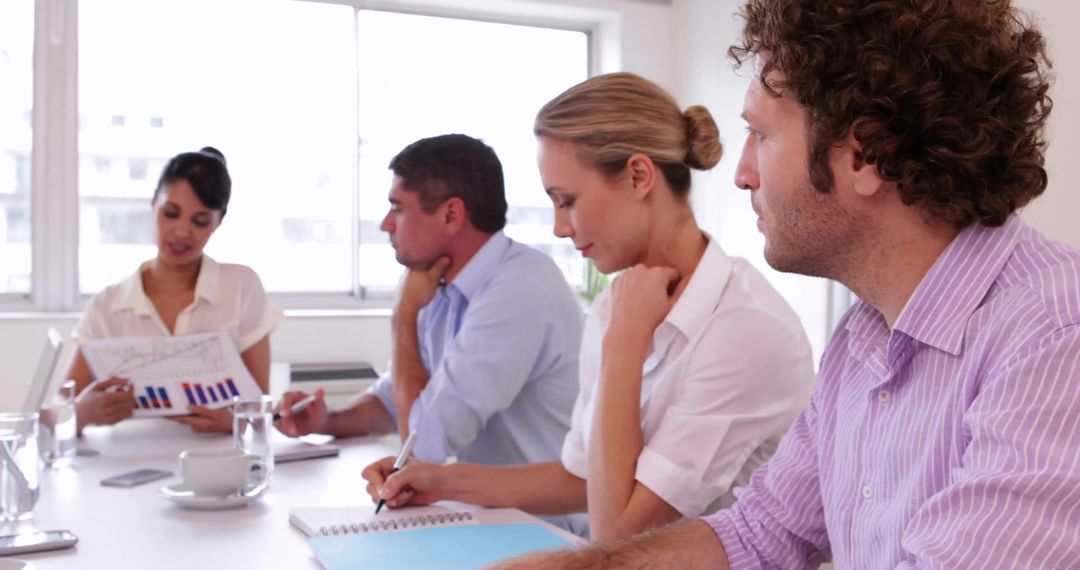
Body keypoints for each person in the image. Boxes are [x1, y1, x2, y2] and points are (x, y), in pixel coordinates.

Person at [490, 0, 1080, 568]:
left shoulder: (1053, 336)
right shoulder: (863, 337)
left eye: (762, 135)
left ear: (866, 153)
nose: (743, 173)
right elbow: (761, 534)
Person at [360, 73, 815, 541]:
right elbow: (582, 480)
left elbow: (617, 530)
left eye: (567, 201)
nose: (559, 227)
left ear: (639, 176)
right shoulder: (616, 305)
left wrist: (625, 342)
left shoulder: (745, 329)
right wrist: (438, 482)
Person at [274, 134, 584, 529]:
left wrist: (403, 316)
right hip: (491, 518)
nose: (386, 224)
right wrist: (326, 421)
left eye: (397, 208)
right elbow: (394, 400)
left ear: (451, 215)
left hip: (551, 530)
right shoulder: (439, 283)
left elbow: (422, 445)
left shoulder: (520, 290)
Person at [67, 147, 282, 434]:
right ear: (153, 205)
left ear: (218, 222)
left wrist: (234, 422)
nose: (181, 231)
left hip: (216, 462)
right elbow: (56, 414)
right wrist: (82, 413)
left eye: (200, 220)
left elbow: (260, 410)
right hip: (123, 464)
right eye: (171, 213)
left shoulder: (240, 286)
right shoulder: (108, 305)